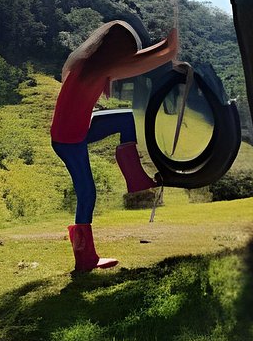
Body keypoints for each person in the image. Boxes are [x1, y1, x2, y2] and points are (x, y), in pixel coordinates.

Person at [51, 20, 178, 272]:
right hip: (69, 139)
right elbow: (153, 58)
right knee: (87, 193)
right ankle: (85, 259)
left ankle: (135, 178)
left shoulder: (87, 65)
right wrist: (171, 44)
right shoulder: (97, 69)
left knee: (125, 118)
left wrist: (168, 45)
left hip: (78, 128)